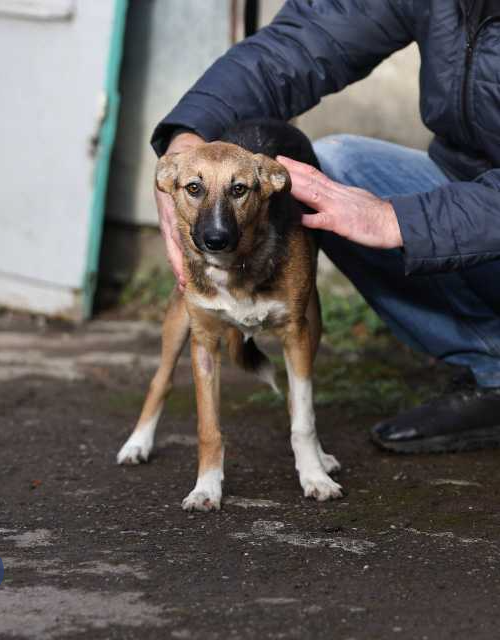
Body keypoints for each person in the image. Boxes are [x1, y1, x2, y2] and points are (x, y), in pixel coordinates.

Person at [149, 0, 500, 454]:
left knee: (362, 202)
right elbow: (302, 42)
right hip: (469, 180)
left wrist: (397, 219)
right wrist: (188, 135)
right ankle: (492, 370)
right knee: (329, 172)